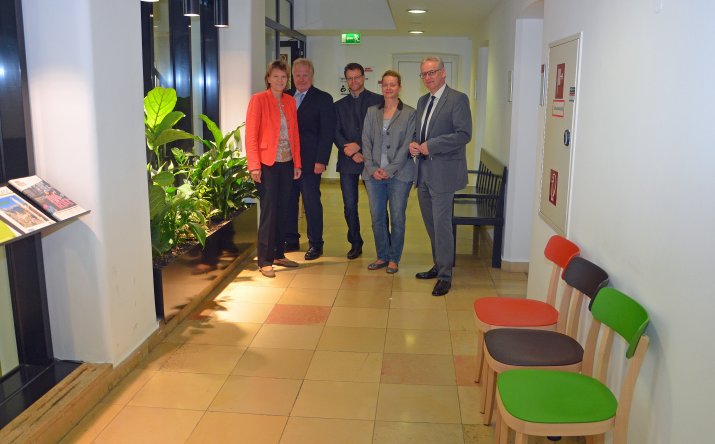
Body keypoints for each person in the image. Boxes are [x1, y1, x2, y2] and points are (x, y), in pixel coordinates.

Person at [409, 56, 472, 296]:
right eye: (424, 74)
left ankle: (445, 276)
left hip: (444, 174)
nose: (428, 78)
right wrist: (414, 144)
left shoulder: (457, 99)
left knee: (442, 225)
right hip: (423, 172)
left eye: (432, 72)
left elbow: (464, 134)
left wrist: (431, 146)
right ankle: (438, 264)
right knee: (431, 224)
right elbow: (420, 133)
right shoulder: (423, 101)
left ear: (443, 73)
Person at [245, 60, 302, 278]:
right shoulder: (258, 99)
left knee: (284, 209)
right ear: (268, 78)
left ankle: (279, 254)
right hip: (266, 164)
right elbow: (251, 135)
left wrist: (297, 163)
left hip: (287, 163)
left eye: (283, 77)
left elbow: (294, 134)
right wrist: (254, 166)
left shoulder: (290, 101)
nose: (280, 80)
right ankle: (264, 260)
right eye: (276, 76)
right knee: (269, 212)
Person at [362, 70, 416, 274]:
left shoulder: (410, 113)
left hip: (400, 175)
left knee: (397, 217)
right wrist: (372, 168)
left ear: (399, 87)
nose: (388, 88)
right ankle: (382, 255)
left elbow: (406, 146)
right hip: (373, 175)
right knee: (377, 217)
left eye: (393, 84)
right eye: (385, 84)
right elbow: (366, 141)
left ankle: (394, 258)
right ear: (381, 87)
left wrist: (390, 170)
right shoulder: (371, 112)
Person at [284, 58, 336, 260]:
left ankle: (316, 243)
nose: (301, 78)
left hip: (311, 161)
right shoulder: (285, 96)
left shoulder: (323, 98)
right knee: (289, 200)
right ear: (292, 76)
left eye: (305, 75)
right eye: (297, 75)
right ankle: (291, 239)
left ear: (312, 76)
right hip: (287, 160)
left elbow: (327, 132)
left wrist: (321, 160)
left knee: (311, 201)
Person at [333, 63, 383, 260]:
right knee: (350, 205)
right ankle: (355, 242)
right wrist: (351, 152)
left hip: (373, 160)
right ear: (346, 80)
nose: (354, 81)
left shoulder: (378, 101)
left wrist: (360, 147)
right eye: (350, 78)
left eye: (357, 77)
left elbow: (380, 131)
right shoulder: (338, 105)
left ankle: (384, 244)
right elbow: (335, 132)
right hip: (348, 161)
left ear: (363, 77)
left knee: (378, 205)